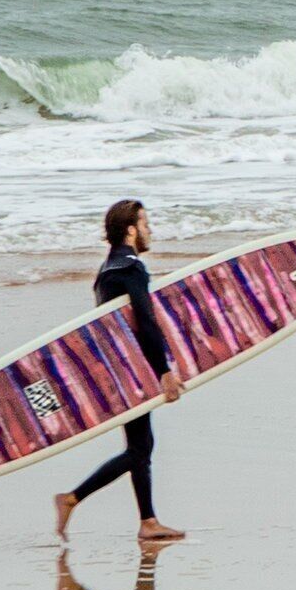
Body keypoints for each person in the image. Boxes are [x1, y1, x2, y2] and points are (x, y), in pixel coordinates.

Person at [55, 199, 187, 545]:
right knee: (140, 449)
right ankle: (73, 498)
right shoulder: (131, 267)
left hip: (116, 369)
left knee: (140, 446)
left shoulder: (106, 270)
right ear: (131, 230)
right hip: (134, 370)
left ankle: (147, 521)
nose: (149, 230)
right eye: (145, 224)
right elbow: (146, 320)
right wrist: (164, 371)